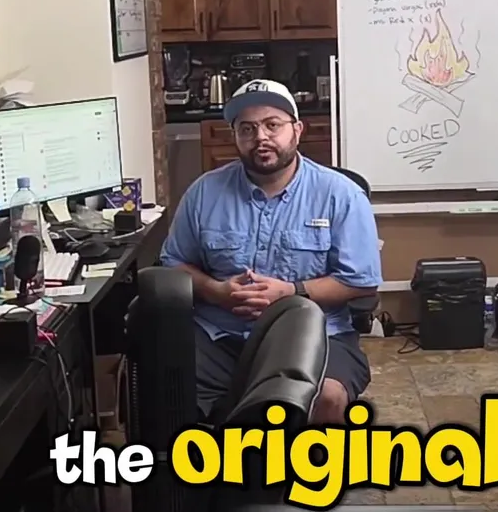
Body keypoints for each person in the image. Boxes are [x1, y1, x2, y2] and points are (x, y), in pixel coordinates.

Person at [161, 79, 382, 424]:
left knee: (327, 399)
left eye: (272, 125)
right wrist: (216, 291)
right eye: (247, 129)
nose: (260, 137)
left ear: (297, 130)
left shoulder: (341, 195)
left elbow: (362, 281)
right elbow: (174, 263)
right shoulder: (204, 192)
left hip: (316, 336)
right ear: (235, 136)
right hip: (220, 335)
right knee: (164, 384)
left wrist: (292, 292)